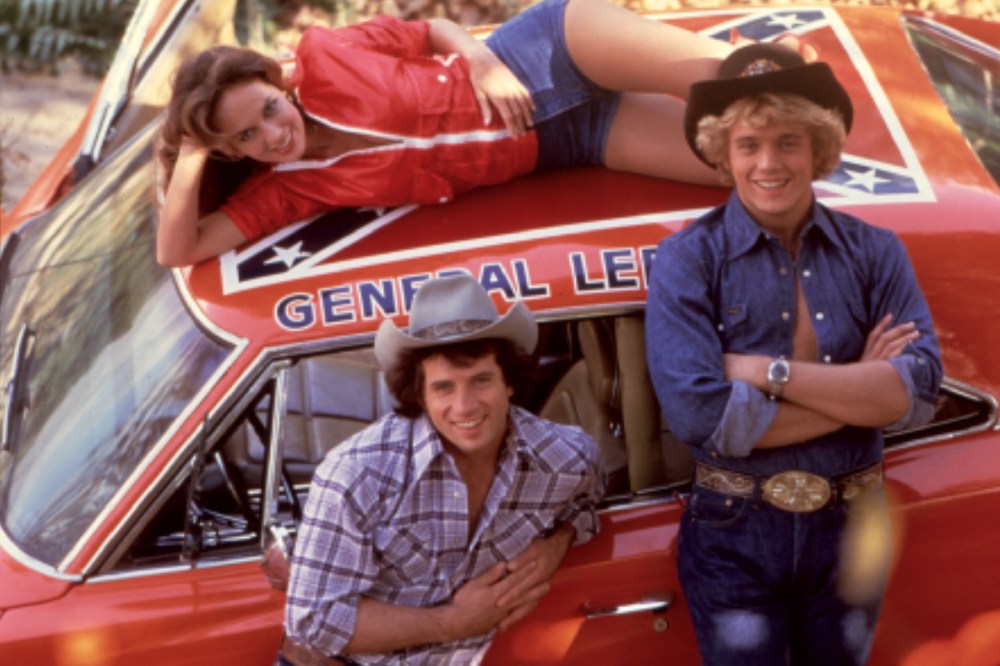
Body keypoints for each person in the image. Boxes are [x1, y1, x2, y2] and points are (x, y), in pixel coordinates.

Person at [645, 43, 942, 665]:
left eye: (788, 142)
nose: (768, 163)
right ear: (725, 154)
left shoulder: (875, 251)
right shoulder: (687, 260)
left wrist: (762, 371)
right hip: (732, 529)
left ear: (818, 150)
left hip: (852, 528)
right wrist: (862, 394)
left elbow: (917, 393)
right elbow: (700, 418)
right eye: (749, 144)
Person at [154, 0, 807, 267]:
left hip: (551, 50)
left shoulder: (328, 55)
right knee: (743, 165)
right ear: (231, 150)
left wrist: (485, 63)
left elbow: (433, 31)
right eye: (246, 135)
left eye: (268, 107)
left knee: (754, 96)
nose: (272, 133)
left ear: (278, 84)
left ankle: (760, 65)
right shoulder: (290, 191)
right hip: (568, 140)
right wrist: (189, 150)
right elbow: (181, 249)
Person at [279, 274, 605, 665]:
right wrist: (455, 622)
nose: (465, 406)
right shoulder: (357, 474)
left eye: (481, 380)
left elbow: (588, 501)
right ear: (420, 393)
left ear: (510, 383)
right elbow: (312, 621)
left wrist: (558, 544)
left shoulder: (565, 457)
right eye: (444, 388)